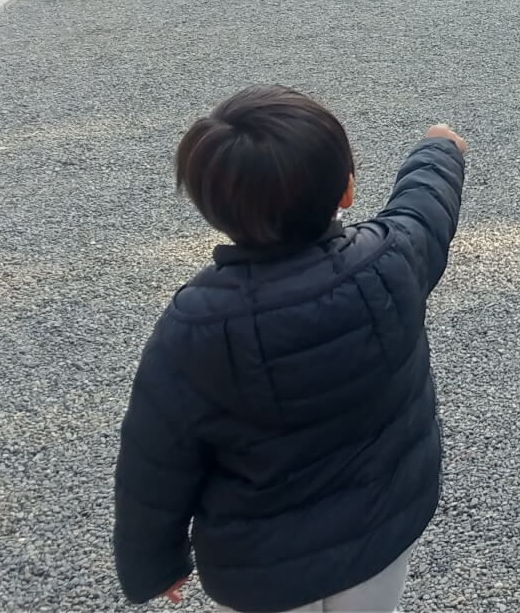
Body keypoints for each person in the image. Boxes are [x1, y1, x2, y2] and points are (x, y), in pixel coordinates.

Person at [112, 85, 467, 613]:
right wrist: (439, 148)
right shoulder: (390, 261)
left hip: (258, 566)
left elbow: (155, 458)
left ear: (214, 212)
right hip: (377, 528)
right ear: (346, 191)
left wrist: (152, 562)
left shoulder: (194, 324)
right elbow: (423, 210)